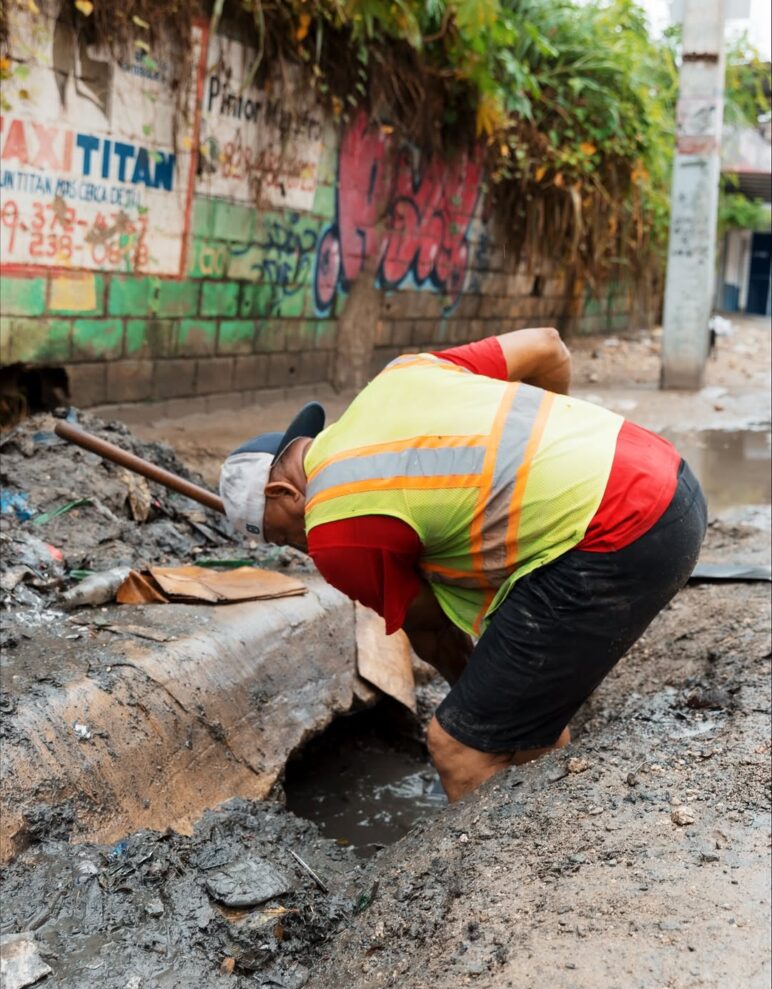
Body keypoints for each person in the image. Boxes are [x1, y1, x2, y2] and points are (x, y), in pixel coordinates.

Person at [219, 329, 707, 801]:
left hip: (619, 533)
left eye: (284, 534)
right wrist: (556, 440)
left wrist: (472, 698)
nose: (300, 548)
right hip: (670, 479)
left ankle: (509, 881)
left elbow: (433, 631)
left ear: (283, 492)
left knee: (460, 746)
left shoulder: (334, 528)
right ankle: (559, 831)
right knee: (523, 729)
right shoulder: (400, 377)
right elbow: (548, 346)